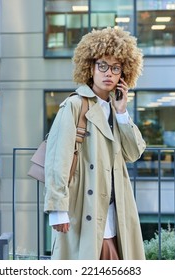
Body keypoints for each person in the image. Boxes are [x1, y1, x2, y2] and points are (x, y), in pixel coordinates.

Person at [43, 27, 146, 260]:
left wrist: (122, 113)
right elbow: (57, 159)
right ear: (90, 67)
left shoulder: (115, 109)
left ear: (123, 75)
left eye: (116, 68)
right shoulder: (75, 105)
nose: (108, 73)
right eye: (102, 65)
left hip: (115, 208)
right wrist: (58, 209)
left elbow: (134, 152)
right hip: (83, 206)